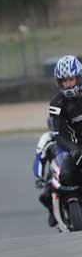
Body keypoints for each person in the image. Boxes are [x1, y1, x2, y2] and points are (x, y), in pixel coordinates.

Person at [48, 55, 82, 218]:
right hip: (77, 147)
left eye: (71, 79)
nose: (68, 84)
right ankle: (68, 206)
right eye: (64, 81)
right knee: (65, 175)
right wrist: (73, 149)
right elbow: (59, 132)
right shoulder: (56, 103)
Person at [32, 117, 57, 227]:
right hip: (54, 172)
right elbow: (39, 159)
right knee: (45, 196)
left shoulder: (74, 132)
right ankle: (52, 211)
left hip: (74, 168)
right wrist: (39, 177)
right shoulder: (46, 138)